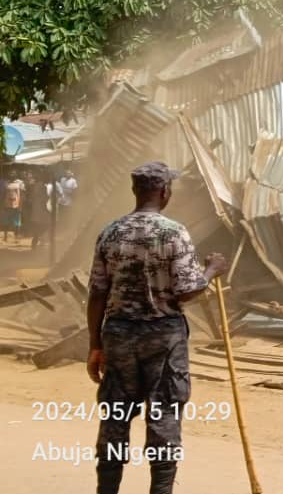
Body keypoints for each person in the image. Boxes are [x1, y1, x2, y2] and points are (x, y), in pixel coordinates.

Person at [86, 161, 227, 494]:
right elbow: (187, 290)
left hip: (118, 337)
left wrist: (95, 344)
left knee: (115, 418)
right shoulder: (173, 232)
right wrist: (212, 271)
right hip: (164, 339)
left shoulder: (110, 232)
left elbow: (96, 293)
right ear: (165, 192)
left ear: (135, 191)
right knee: (163, 416)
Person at [2, 172, 25, 242]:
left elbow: (21, 195)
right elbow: (4, 194)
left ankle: (17, 237)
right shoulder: (6, 183)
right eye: (11, 174)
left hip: (16, 205)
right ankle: (5, 237)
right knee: (6, 221)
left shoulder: (19, 183)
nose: (12, 175)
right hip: (7, 205)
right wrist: (2, 204)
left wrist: (20, 205)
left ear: (16, 175)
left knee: (17, 222)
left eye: (13, 174)